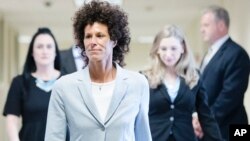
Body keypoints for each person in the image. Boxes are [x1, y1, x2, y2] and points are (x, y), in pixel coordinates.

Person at [45, 1, 152, 141]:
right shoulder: (63, 87)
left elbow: (143, 136)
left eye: (100, 35)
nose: (92, 42)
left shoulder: (137, 84)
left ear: (114, 40)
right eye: (88, 36)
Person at [141, 25, 223, 141]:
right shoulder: (145, 77)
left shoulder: (193, 77)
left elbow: (206, 116)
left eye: (173, 48)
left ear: (183, 48)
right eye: (164, 49)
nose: (168, 54)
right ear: (157, 50)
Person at [194, 5, 250, 141]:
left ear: (221, 25)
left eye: (206, 25)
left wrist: (205, 120)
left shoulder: (237, 54)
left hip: (232, 128)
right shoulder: (209, 53)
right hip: (211, 129)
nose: (201, 30)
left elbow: (230, 95)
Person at [2, 27, 62, 141]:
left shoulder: (68, 81)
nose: (44, 51)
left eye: (49, 46)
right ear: (32, 53)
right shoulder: (19, 82)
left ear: (55, 52)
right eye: (39, 46)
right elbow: (12, 120)